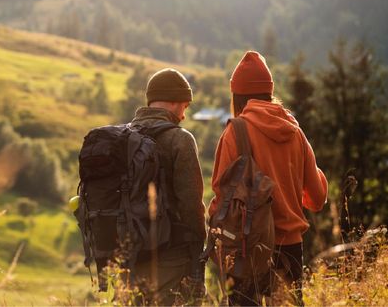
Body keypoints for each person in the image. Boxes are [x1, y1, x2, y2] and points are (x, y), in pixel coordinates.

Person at [208, 51, 328, 306]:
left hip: (247, 249)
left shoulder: (235, 132)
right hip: (291, 249)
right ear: (269, 92)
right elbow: (317, 199)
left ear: (236, 95)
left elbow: (221, 195)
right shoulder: (295, 131)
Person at [130, 68, 206, 305]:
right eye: (184, 106)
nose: (183, 115)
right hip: (171, 257)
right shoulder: (180, 139)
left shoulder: (125, 137)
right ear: (174, 102)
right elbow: (191, 204)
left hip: (128, 256)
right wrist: (198, 253)